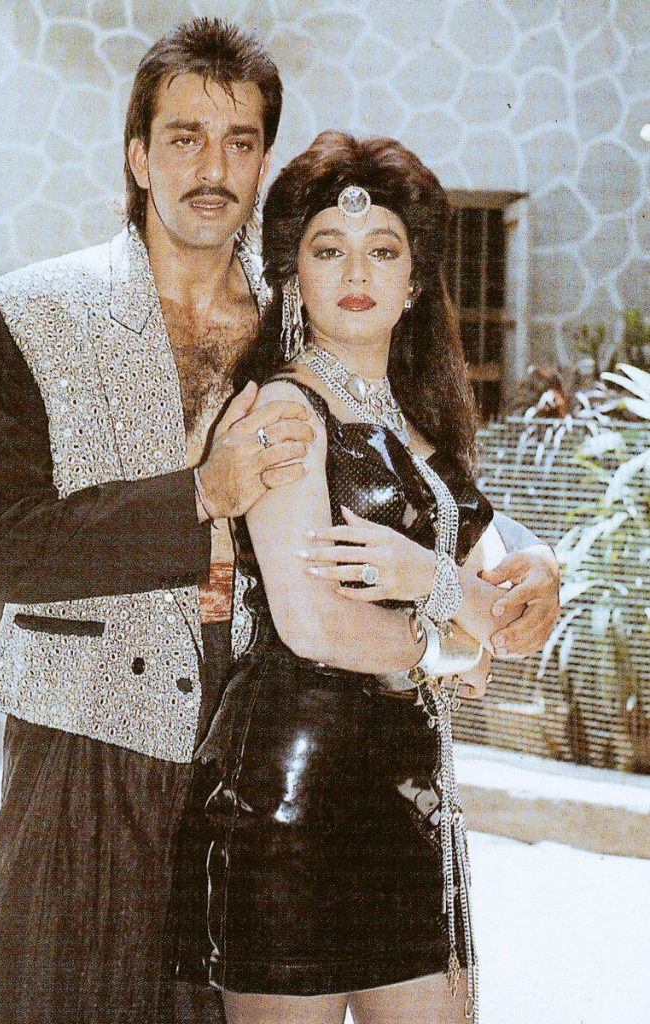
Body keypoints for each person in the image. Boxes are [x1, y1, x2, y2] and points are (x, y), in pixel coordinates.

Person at [0, 17, 557, 1024]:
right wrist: (200, 494)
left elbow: (410, 450)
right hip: (86, 747)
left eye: (239, 142)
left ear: (264, 161)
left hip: (255, 744)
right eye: (184, 137)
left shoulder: (306, 302)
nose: (213, 168)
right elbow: (2, 546)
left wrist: (531, 557)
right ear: (137, 155)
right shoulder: (30, 312)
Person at [175, 131, 536, 1024]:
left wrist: (475, 580)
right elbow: (315, 623)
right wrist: (454, 635)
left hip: (410, 802)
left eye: (383, 250)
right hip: (292, 800)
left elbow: (496, 576)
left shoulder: (418, 423)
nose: (356, 272)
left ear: (415, 281)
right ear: (293, 276)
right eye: (328, 250)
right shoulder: (285, 409)